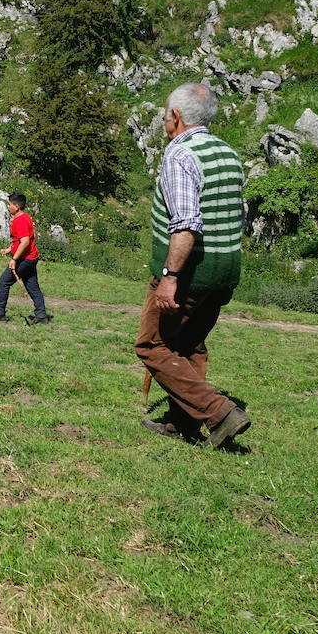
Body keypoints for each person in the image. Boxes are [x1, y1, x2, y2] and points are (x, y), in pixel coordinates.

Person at [135, 83, 251, 449]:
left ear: (177, 117)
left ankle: (219, 412)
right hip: (224, 270)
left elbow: (186, 224)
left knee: (153, 346)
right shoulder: (228, 154)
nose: (164, 120)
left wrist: (169, 278)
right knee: (189, 345)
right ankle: (181, 424)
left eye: (165, 113)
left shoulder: (181, 155)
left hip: (192, 273)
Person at [0, 193, 51, 325]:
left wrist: (14, 259)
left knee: (3, 282)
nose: (8, 207)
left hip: (24, 259)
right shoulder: (25, 217)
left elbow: (25, 242)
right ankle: (41, 315)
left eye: (10, 204)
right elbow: (20, 240)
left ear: (17, 206)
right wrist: (10, 249)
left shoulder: (20, 220)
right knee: (32, 286)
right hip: (31, 257)